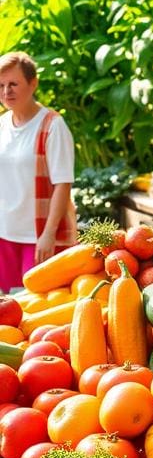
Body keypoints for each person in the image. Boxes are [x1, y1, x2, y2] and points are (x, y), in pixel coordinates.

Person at [0, 52, 76, 292]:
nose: (6, 92)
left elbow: (63, 184)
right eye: (1, 85)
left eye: (13, 84)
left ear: (33, 84)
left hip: (39, 236)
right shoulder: (2, 125)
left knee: (37, 303)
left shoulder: (53, 125)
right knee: (8, 306)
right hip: (5, 233)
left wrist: (49, 234)